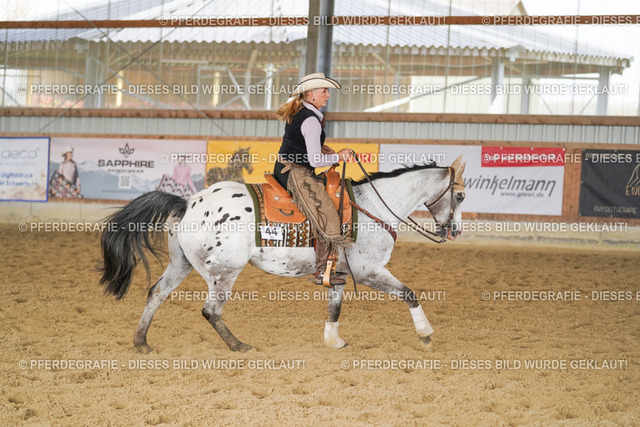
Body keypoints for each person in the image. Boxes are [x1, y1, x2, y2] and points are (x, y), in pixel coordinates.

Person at [274, 72, 352, 286]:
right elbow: (315, 161)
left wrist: (322, 148)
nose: (328, 95)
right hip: (295, 172)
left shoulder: (302, 112)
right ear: (311, 94)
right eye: (324, 91)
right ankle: (322, 271)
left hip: (286, 167)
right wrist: (338, 156)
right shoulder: (310, 119)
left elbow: (300, 144)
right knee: (327, 212)